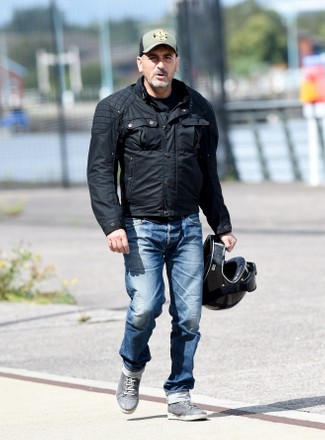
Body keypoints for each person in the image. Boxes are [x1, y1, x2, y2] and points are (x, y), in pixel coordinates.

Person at [87, 28, 237, 421]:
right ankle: (131, 369)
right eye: (153, 57)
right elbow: (101, 172)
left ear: (176, 62)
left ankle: (180, 393)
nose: (160, 63)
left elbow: (207, 171)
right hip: (138, 229)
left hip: (187, 227)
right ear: (140, 63)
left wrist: (220, 224)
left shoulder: (198, 108)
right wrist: (111, 224)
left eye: (167, 56)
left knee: (188, 315)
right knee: (145, 307)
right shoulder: (114, 109)